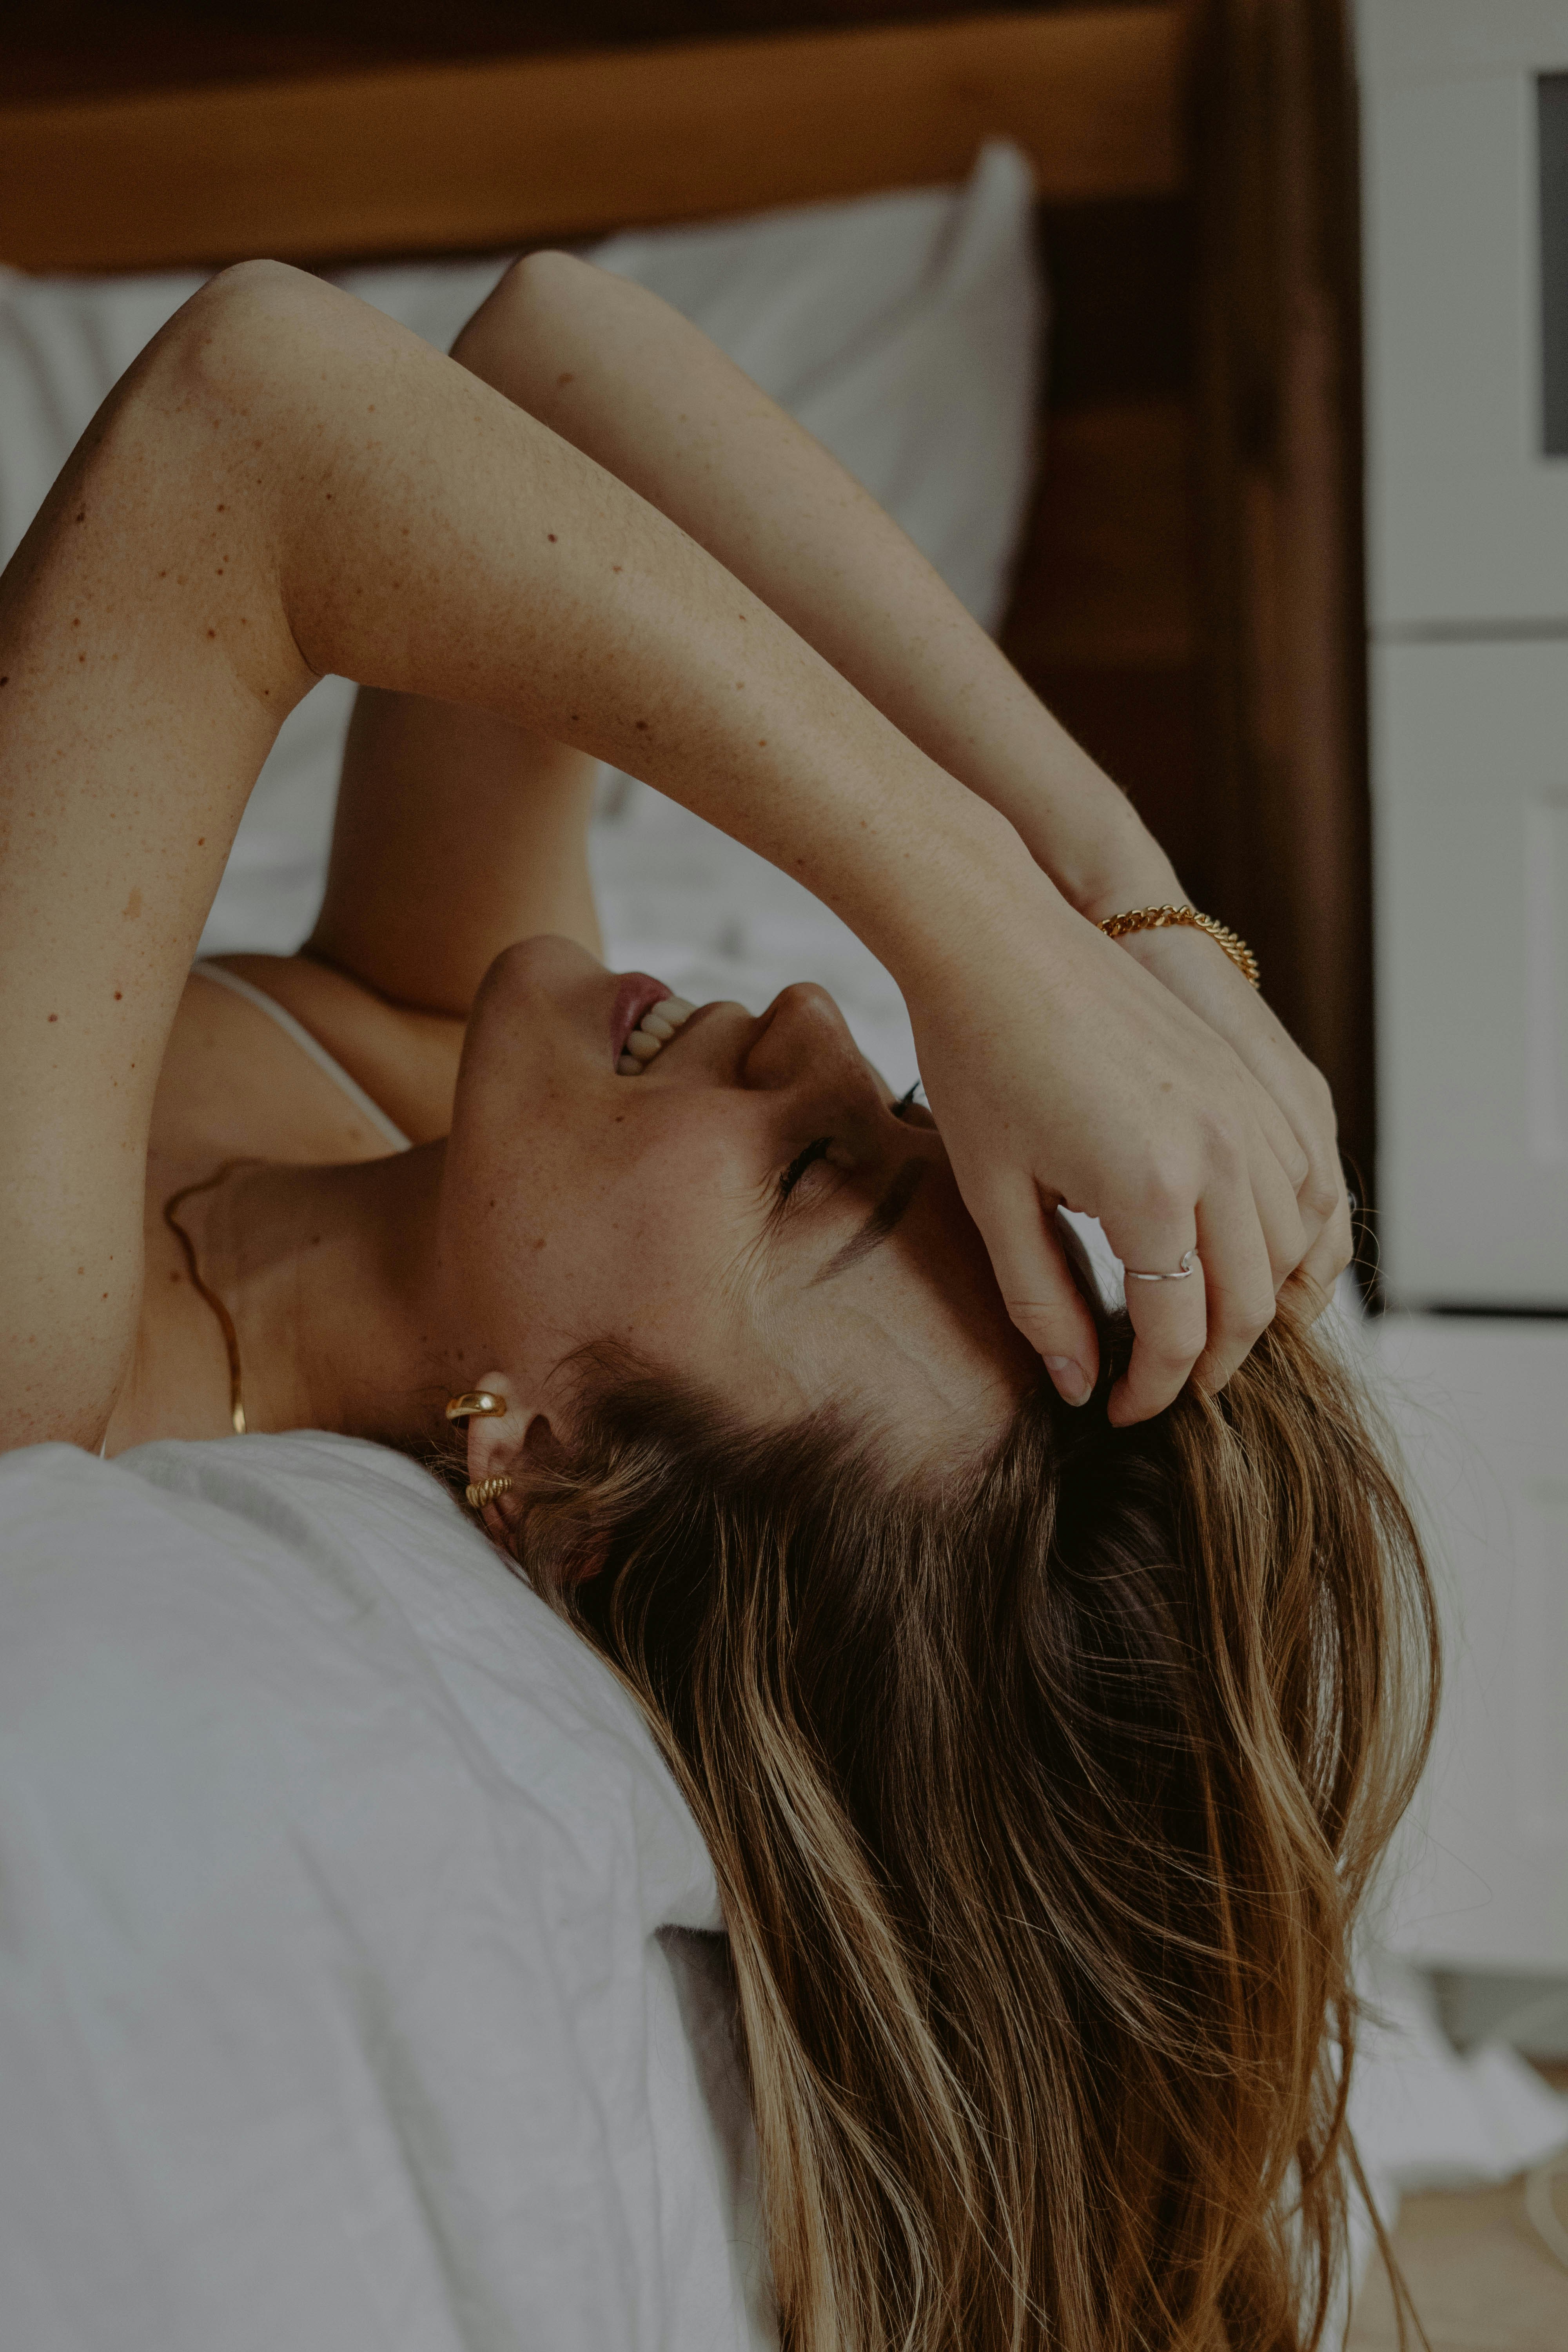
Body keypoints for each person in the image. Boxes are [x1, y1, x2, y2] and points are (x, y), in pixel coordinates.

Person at [0, 256, 1433, 2349]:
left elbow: (255, 414)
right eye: (925, 1096)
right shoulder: (409, 1066)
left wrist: (979, 912)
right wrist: (1126, 916)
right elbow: (553, 357)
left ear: (561, 1462)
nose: (824, 1027)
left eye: (822, 1177)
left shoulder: (49, 1334)